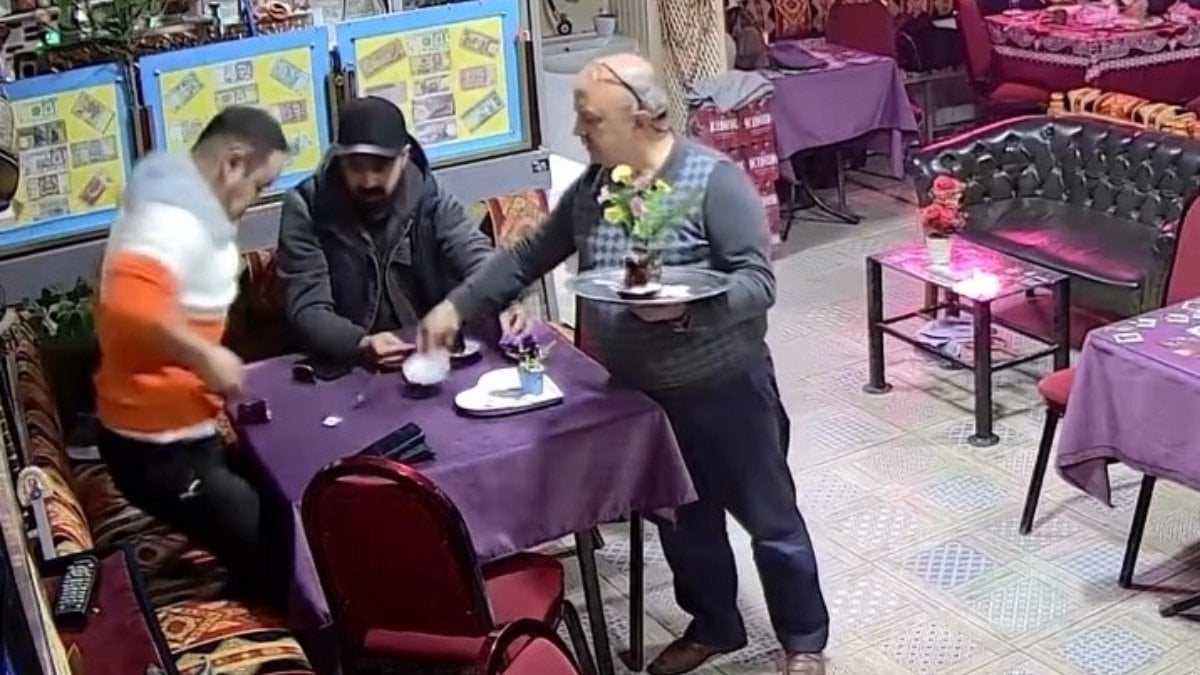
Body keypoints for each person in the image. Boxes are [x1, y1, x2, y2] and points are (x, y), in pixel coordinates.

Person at [419, 54, 830, 674]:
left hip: (725, 390)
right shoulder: (596, 188)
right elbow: (529, 255)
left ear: (641, 118)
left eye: (591, 119)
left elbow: (757, 283)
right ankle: (715, 625)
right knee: (681, 521)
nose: (579, 131)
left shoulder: (712, 180)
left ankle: (804, 641)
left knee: (770, 520)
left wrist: (687, 309)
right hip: (641, 398)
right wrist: (456, 307)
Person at [93, 106, 289, 606]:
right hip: (155, 448)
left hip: (184, 432)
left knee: (280, 498)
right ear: (233, 163)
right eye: (260, 186)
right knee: (275, 554)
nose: (256, 201)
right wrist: (203, 355)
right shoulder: (168, 220)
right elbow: (127, 308)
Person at [276, 96, 524, 369]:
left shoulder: (429, 195)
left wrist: (504, 301)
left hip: (428, 350)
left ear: (404, 157)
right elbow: (308, 308)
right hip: (345, 362)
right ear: (339, 158)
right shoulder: (307, 205)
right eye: (355, 167)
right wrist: (359, 344)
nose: (368, 181)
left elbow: (471, 251)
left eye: (380, 167)